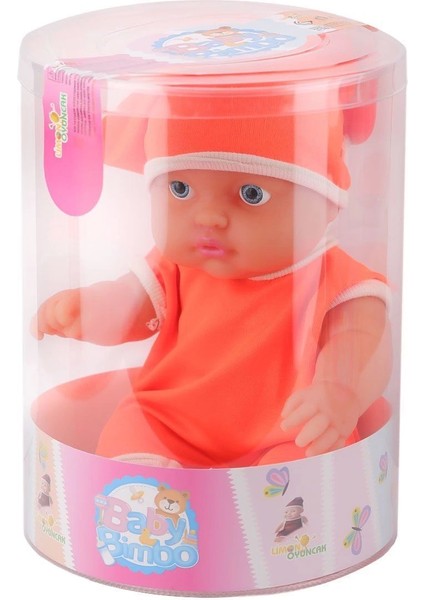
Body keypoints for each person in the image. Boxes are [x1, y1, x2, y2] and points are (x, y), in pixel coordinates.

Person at [32, 93, 392, 468]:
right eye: (180, 189)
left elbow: (362, 342)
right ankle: (148, 479)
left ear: (327, 203)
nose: (208, 217)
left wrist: (340, 390)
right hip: (173, 421)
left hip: (288, 430)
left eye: (251, 194)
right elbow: (130, 305)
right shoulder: (176, 264)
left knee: (313, 454)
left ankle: (254, 493)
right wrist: (90, 309)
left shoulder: (336, 278)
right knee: (132, 425)